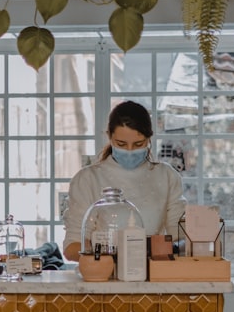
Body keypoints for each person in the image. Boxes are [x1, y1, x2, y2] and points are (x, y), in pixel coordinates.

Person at [62, 100, 185, 261]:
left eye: (138, 144)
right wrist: (110, 254)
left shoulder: (166, 176)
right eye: (121, 144)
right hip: (102, 278)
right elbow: (72, 246)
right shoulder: (87, 179)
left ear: (149, 139)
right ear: (109, 137)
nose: (129, 151)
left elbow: (181, 237)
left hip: (154, 277)